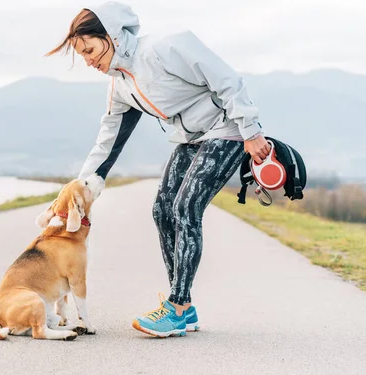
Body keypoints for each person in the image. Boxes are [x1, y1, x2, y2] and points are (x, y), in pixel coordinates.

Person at [46, 1, 272, 338]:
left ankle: (177, 308)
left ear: (112, 36)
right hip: (191, 137)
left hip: (227, 129)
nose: (89, 60)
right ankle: (187, 307)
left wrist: (251, 131)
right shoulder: (120, 85)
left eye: (90, 49)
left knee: (185, 208)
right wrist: (77, 186)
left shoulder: (166, 47)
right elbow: (107, 140)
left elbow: (226, 80)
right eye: (82, 55)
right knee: (161, 209)